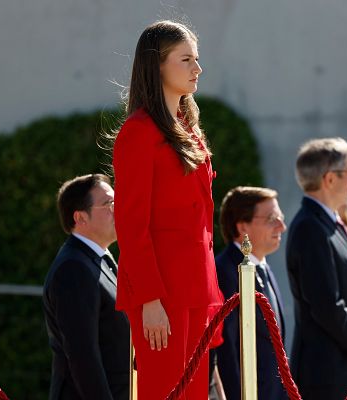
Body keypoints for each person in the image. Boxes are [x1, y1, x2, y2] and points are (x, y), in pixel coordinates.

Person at [112, 20, 224, 398]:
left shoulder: (187, 127)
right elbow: (131, 224)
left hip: (196, 287)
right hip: (162, 292)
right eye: (186, 59)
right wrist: (149, 300)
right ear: (157, 65)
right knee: (164, 392)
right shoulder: (139, 132)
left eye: (197, 58)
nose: (198, 68)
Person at [285, 137, 347, 400]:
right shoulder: (311, 228)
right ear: (330, 179)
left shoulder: (329, 224)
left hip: (345, 373)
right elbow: (327, 305)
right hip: (327, 378)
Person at [43, 174, 130, 399]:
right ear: (80, 217)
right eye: (109, 203)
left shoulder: (99, 260)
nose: (118, 209)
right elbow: (83, 356)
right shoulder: (73, 268)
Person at [211, 186, 288, 400]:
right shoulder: (226, 271)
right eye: (272, 218)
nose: (282, 226)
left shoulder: (263, 266)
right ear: (243, 226)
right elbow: (227, 351)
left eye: (280, 217)